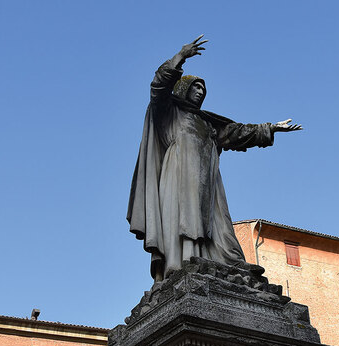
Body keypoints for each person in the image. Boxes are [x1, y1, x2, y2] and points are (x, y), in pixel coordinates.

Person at [127, 35, 302, 281]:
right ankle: (182, 263)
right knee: (182, 217)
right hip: (177, 175)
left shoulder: (207, 123)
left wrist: (270, 128)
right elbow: (157, 86)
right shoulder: (168, 112)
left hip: (208, 181)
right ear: (183, 89)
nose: (200, 92)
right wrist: (180, 56)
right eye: (195, 87)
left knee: (219, 222)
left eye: (203, 89)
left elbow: (238, 133)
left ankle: (225, 263)